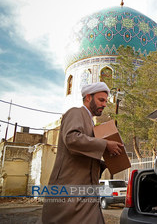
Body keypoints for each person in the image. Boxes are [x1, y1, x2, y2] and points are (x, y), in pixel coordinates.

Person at [41, 82, 124, 224]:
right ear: (88, 98)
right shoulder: (75, 112)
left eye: (105, 101)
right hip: (69, 191)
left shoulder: (91, 123)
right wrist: (105, 144)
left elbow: (85, 153)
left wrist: (106, 162)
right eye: (101, 100)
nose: (104, 104)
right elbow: (71, 139)